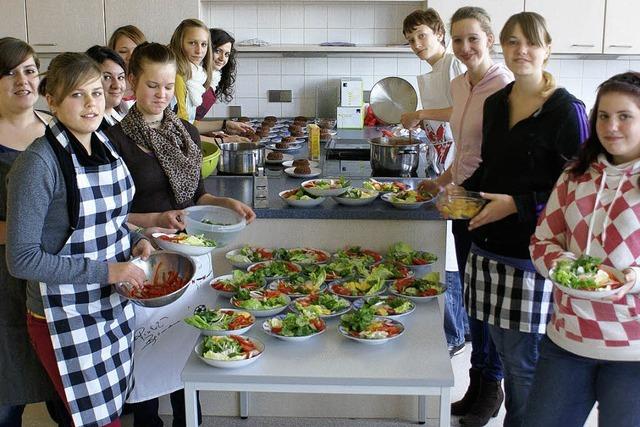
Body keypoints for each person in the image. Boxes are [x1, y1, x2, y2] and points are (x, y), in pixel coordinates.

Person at [105, 42, 255, 427]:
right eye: (152, 85)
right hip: (146, 260)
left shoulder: (184, 130)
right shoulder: (115, 141)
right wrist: (157, 218)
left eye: (168, 86)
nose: (161, 95)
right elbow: (110, 215)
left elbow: (195, 194)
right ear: (132, 83)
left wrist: (224, 203)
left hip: (193, 255)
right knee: (148, 361)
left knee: (190, 351)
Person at [5, 51, 153, 427]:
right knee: (100, 422)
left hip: (108, 306)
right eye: (76, 95)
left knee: (112, 411)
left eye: (96, 92)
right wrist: (109, 271)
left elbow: (108, 220)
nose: (91, 104)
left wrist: (133, 237)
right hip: (62, 316)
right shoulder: (38, 163)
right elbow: (22, 259)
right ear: (51, 100)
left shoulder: (103, 146)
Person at [460, 12, 589, 427]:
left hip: (529, 255)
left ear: (548, 48)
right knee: (498, 345)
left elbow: (581, 190)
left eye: (531, 42)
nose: (522, 51)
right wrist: (457, 197)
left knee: (523, 365)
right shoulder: (497, 103)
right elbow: (491, 168)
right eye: (513, 42)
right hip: (487, 248)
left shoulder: (566, 111)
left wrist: (517, 203)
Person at [526, 72, 640, 427]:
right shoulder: (575, 175)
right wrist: (567, 266)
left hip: (633, 350)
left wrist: (633, 279)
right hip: (568, 340)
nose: (612, 126)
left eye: (625, 116)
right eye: (603, 116)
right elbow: (541, 241)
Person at [422, 6, 514, 423]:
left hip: (490, 204)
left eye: (472, 38)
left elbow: (501, 157)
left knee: (489, 300)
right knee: (474, 297)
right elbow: (464, 151)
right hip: (461, 200)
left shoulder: (507, 87)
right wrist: (442, 181)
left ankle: (491, 387)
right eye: (457, 40)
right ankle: (476, 382)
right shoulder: (459, 85)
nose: (463, 47)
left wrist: (464, 189)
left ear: (489, 39)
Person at [0, 36, 70, 427]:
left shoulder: (58, 127)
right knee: (7, 401)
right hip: (4, 287)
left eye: (29, 70)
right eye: (9, 72)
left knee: (66, 396)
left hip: (58, 281)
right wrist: (28, 235)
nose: (22, 80)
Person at [400, 8, 468, 359]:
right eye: (411, 40)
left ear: (439, 32)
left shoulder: (453, 64)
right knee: (450, 246)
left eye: (421, 36)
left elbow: (461, 111)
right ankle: (460, 329)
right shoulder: (428, 74)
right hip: (444, 164)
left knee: (452, 255)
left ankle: (455, 334)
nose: (416, 44)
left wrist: (421, 114)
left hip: (461, 167)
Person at [169, 20, 251, 140]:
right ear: (179, 44)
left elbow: (189, 124)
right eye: (192, 43)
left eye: (203, 44)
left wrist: (224, 125)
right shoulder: (175, 79)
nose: (199, 51)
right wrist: (221, 140)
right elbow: (177, 132)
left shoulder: (197, 77)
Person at [86, 45, 127, 127]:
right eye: (107, 77)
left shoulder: (120, 115)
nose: (117, 85)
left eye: (120, 77)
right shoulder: (92, 126)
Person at [108, 25, 147, 107]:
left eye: (135, 51)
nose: (130, 57)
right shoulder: (104, 87)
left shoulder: (151, 83)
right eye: (123, 51)